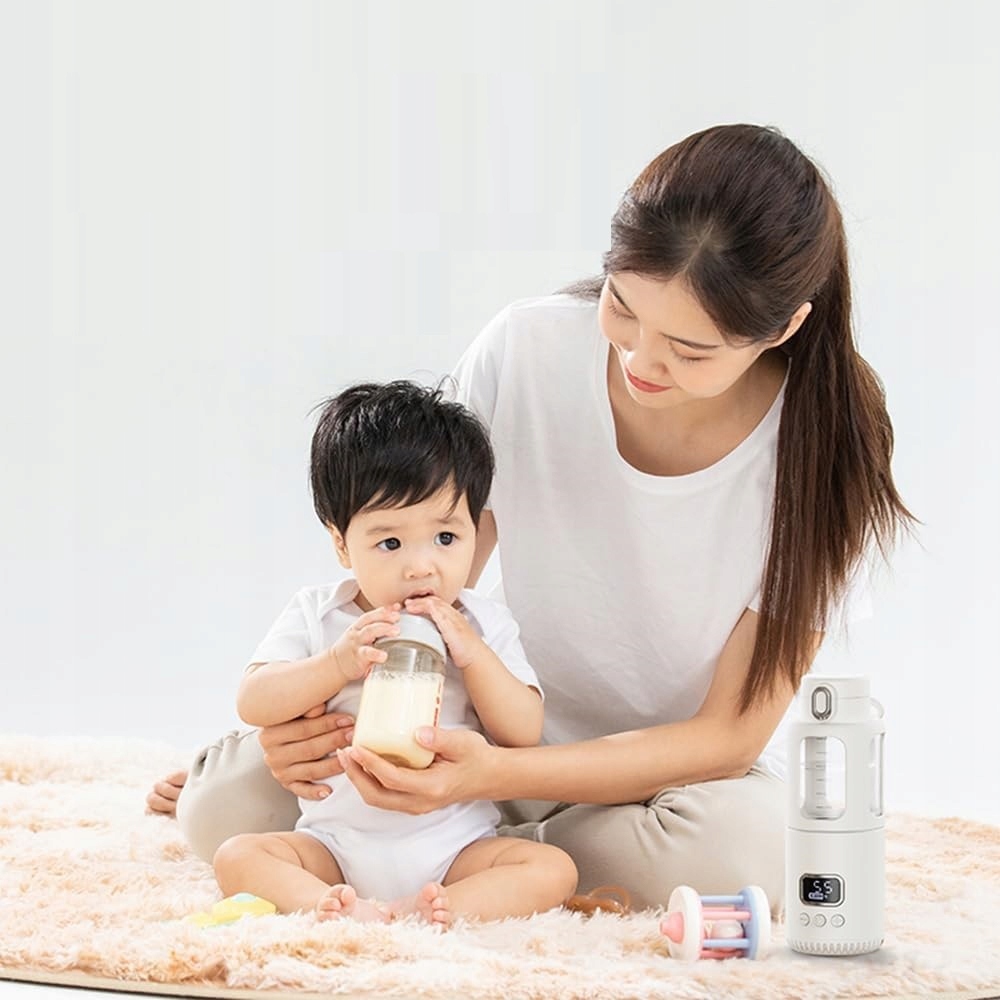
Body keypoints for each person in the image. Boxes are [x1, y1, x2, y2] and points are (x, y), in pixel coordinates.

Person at [149, 123, 913, 911]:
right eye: (622, 307)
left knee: (749, 852)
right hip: (476, 734)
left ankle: (498, 858)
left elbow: (730, 736)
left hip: (656, 782)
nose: (640, 360)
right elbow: (422, 578)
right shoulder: (527, 346)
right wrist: (307, 725)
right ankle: (496, 864)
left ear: (783, 328)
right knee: (224, 810)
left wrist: (492, 778)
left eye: (690, 350)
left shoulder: (825, 452)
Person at [210, 381, 578, 924]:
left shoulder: (483, 624)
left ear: (476, 530)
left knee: (552, 870)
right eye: (389, 543)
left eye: (446, 539)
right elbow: (255, 701)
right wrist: (336, 663)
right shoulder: (322, 613)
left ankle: (438, 908)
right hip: (334, 845)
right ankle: (328, 904)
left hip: (455, 847)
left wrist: (473, 656)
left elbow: (523, 731)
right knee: (238, 856)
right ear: (342, 544)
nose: (421, 566)